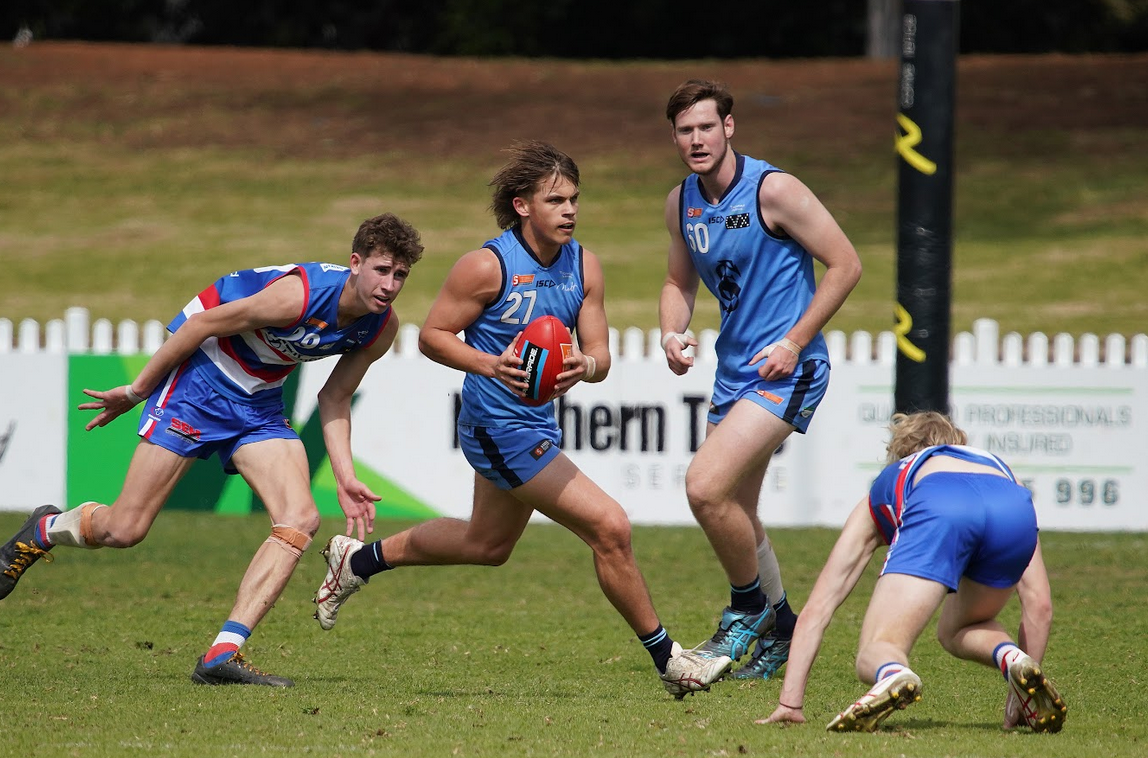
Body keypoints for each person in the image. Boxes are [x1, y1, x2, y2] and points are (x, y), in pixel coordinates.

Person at [312, 141, 732, 698]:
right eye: (555, 200)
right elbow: (433, 335)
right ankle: (672, 662)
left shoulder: (584, 265)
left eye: (574, 199)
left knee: (487, 545)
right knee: (611, 528)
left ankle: (358, 561)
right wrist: (491, 363)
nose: (570, 211)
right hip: (494, 426)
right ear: (522, 205)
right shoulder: (487, 266)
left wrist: (585, 364)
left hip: (535, 427)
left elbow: (601, 357)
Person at [0, 214, 425, 688]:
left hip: (259, 402)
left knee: (300, 519)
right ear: (355, 263)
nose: (390, 285)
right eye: (382, 270)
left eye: (400, 275)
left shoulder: (379, 329)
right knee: (124, 529)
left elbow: (333, 397)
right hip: (198, 383)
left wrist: (345, 477)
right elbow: (201, 324)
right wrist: (136, 391)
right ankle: (46, 529)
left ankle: (222, 653)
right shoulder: (297, 295)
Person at [658, 79, 863, 678]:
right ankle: (782, 629)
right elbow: (678, 283)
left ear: (729, 127)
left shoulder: (775, 190)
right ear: (674, 137)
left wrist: (794, 341)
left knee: (703, 486)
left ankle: (746, 610)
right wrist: (674, 332)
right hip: (734, 372)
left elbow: (846, 264)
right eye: (683, 130)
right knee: (738, 512)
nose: (695, 139)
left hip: (790, 370)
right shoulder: (680, 203)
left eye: (705, 127)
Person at [758, 411, 1067, 733]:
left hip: (938, 501)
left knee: (874, 650)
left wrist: (790, 703)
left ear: (900, 451)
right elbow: (1039, 604)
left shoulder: (896, 479)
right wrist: (1023, 697)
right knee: (959, 628)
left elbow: (818, 608)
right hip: (1012, 508)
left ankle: (892, 672)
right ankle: (1012, 659)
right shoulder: (999, 470)